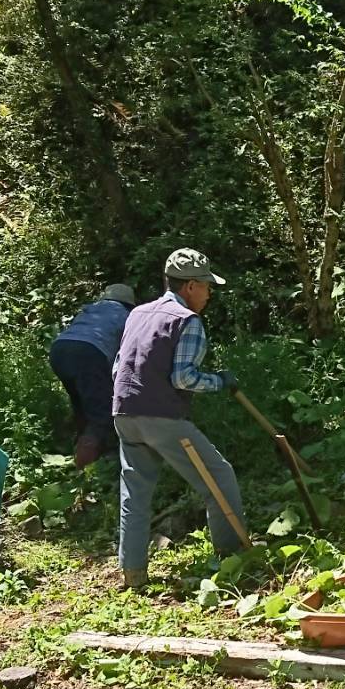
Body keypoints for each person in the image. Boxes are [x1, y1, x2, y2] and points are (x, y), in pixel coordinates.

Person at [112, 248, 247, 589]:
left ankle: (133, 573)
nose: (209, 293)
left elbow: (118, 366)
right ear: (189, 286)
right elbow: (183, 378)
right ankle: (234, 559)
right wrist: (219, 381)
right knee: (219, 478)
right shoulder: (187, 320)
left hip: (123, 413)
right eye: (206, 286)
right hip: (162, 417)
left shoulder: (139, 313)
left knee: (135, 493)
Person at [50, 283, 136, 469]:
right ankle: (84, 465)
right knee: (101, 410)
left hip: (59, 349)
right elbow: (127, 353)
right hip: (89, 352)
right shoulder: (127, 316)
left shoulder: (90, 309)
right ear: (129, 303)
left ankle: (81, 446)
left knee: (81, 402)